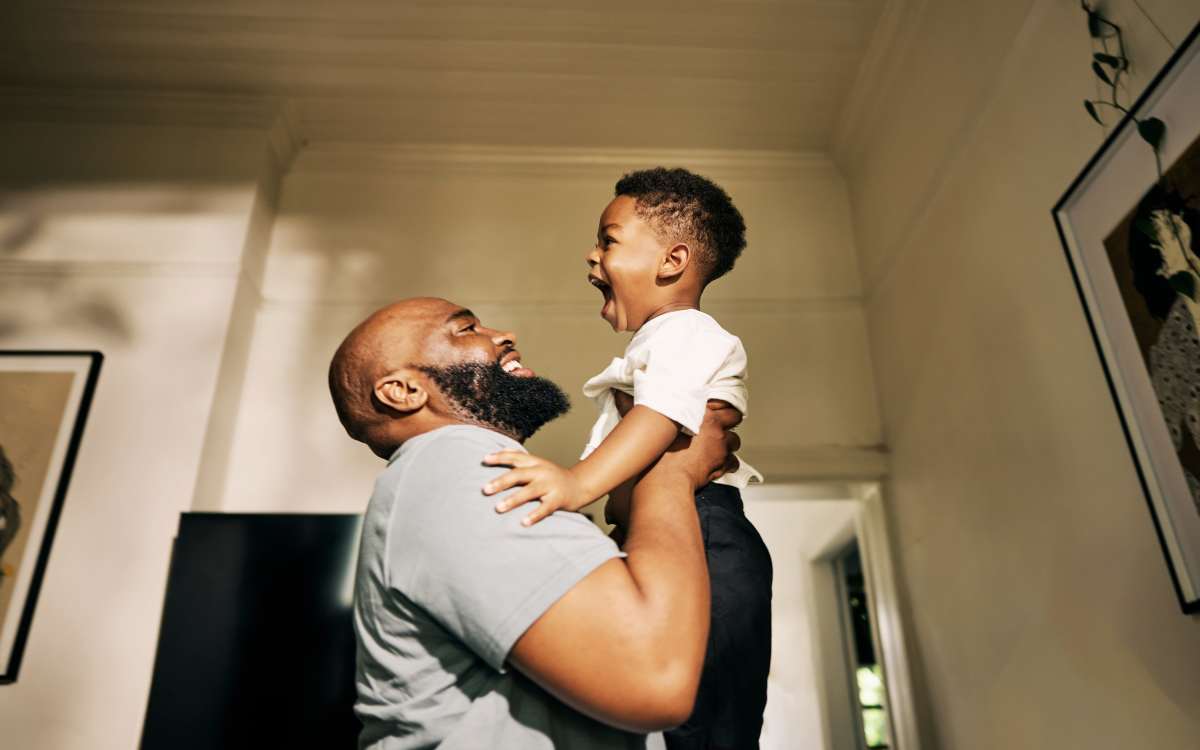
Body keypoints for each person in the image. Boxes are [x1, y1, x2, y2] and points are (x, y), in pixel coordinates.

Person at [328, 297, 742, 749]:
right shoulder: (450, 467)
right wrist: (674, 471)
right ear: (403, 391)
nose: (505, 335)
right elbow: (655, 676)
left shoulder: (444, 480)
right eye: (466, 329)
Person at [482, 168, 773, 748]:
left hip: (708, 532)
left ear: (672, 261)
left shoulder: (686, 332)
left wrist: (572, 485)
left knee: (710, 722)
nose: (592, 255)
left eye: (608, 240)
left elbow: (659, 417)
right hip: (680, 529)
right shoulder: (659, 342)